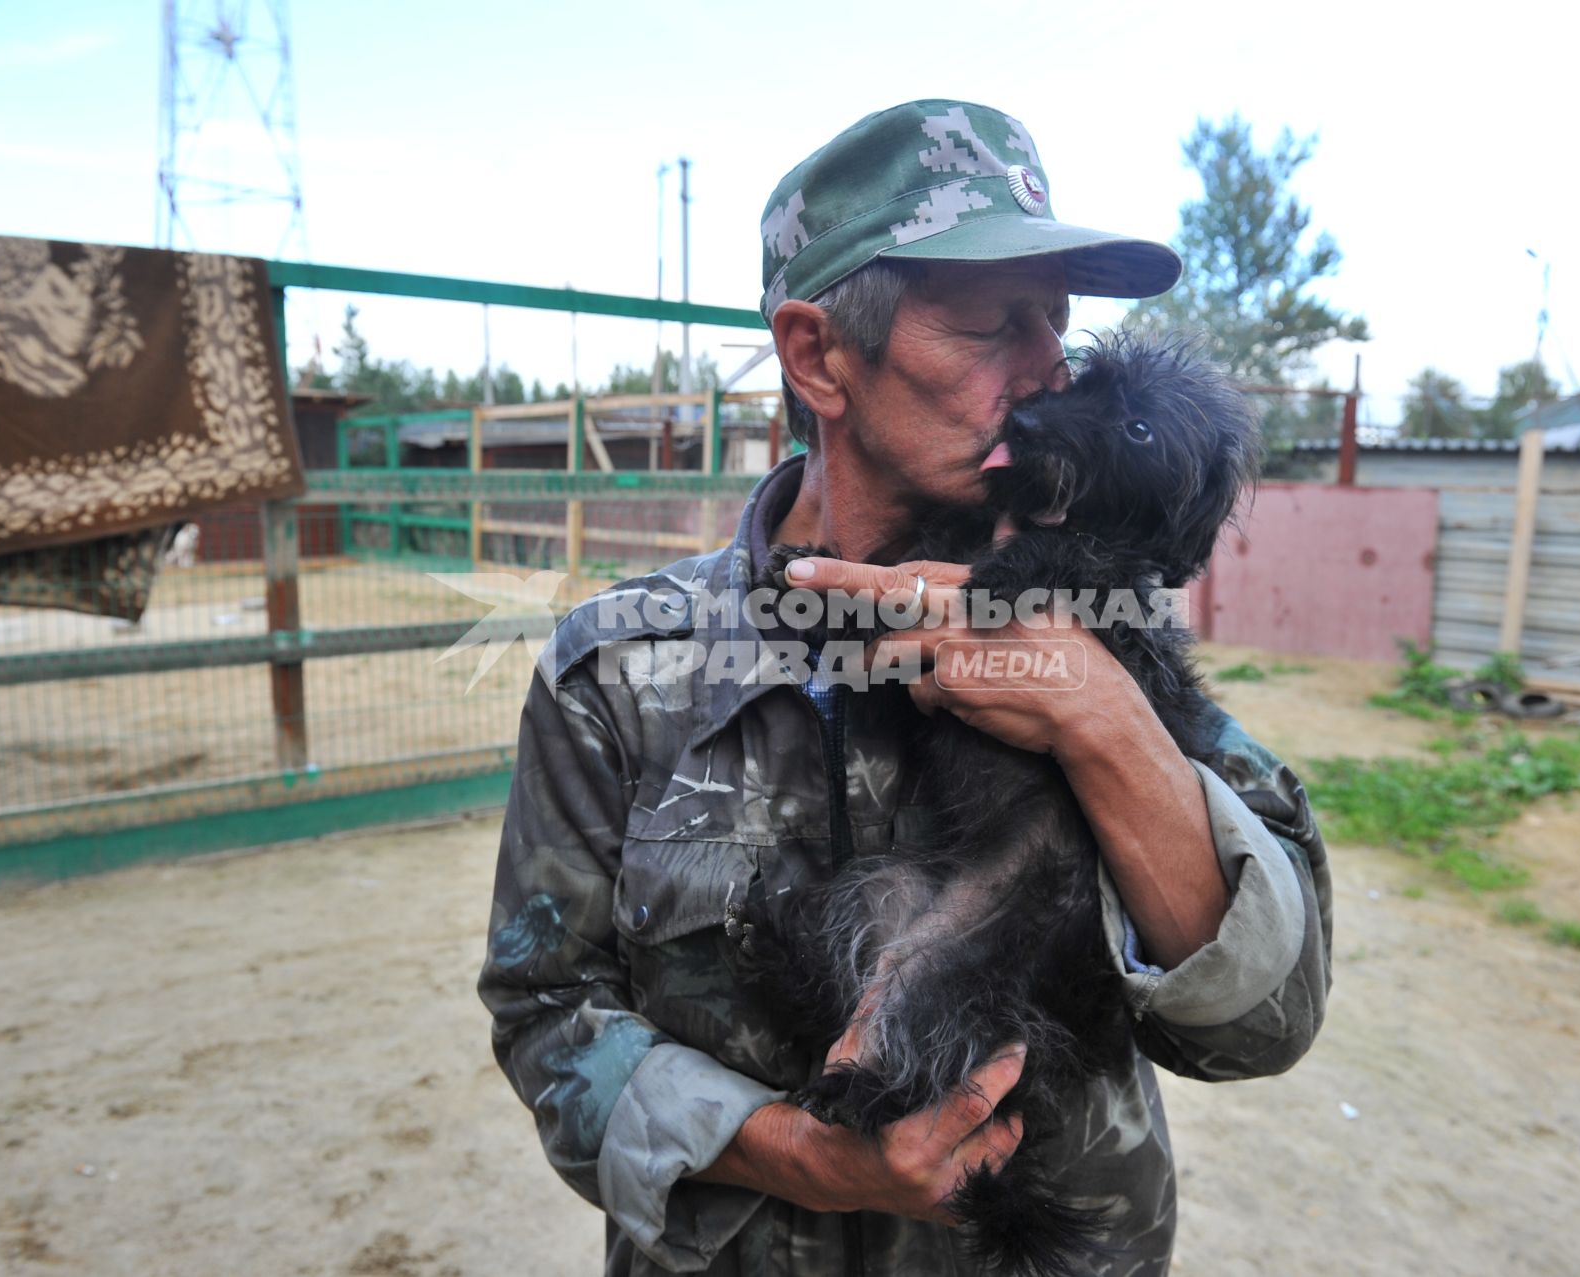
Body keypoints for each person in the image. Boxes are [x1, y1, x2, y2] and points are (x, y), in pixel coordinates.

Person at [478, 99, 1332, 1276]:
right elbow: (545, 1012)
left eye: (1059, 324)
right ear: (818, 354)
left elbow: (1265, 1023)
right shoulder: (619, 668)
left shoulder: (1094, 613)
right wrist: (800, 1153)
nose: (1048, 373)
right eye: (993, 327)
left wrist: (1098, 717)